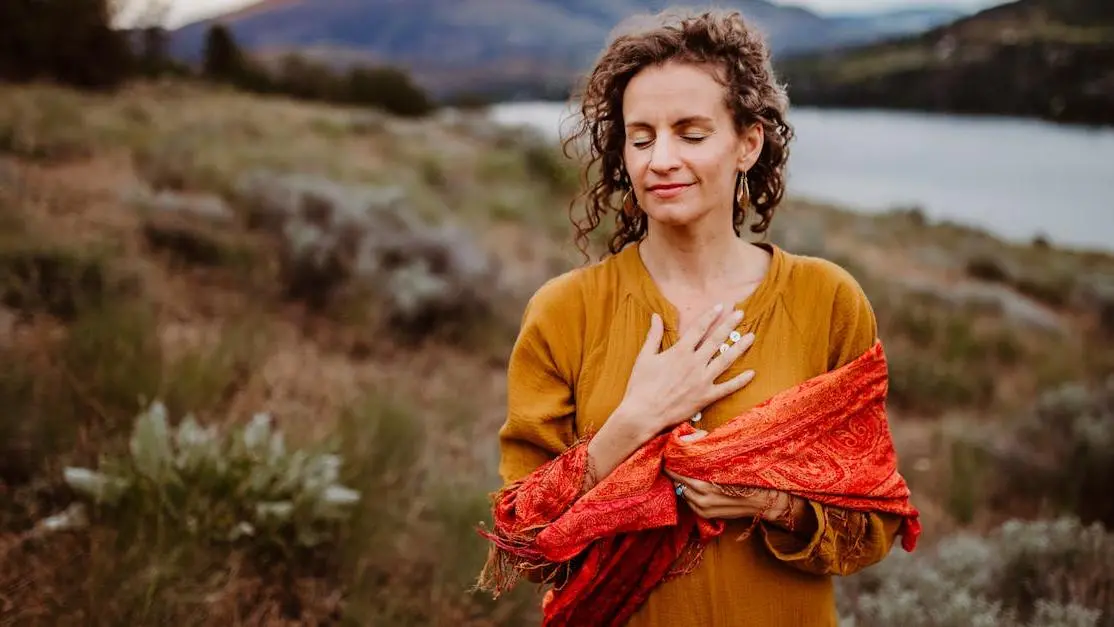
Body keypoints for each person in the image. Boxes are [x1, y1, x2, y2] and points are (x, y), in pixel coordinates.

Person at [477, 9, 919, 627]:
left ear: (747, 143)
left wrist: (771, 503)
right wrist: (632, 424)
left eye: (690, 133)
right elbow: (523, 539)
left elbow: (872, 522)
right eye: (641, 137)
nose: (661, 159)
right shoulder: (565, 312)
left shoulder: (827, 301)